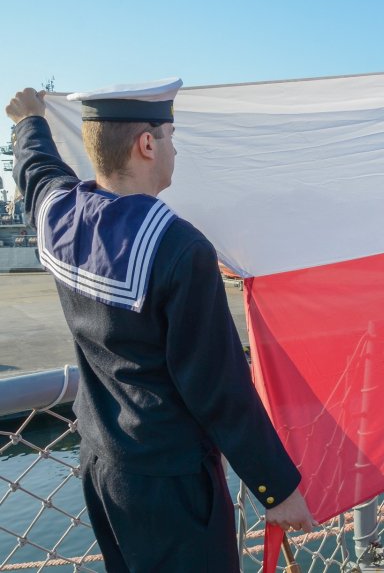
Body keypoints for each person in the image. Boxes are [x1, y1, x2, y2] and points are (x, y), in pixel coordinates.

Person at [6, 82, 317, 572]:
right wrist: (275, 488)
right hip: (171, 485)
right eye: (171, 136)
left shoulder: (59, 215)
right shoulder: (179, 247)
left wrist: (30, 123)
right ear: (147, 144)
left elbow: (38, 172)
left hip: (101, 465)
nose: (174, 148)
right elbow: (220, 388)